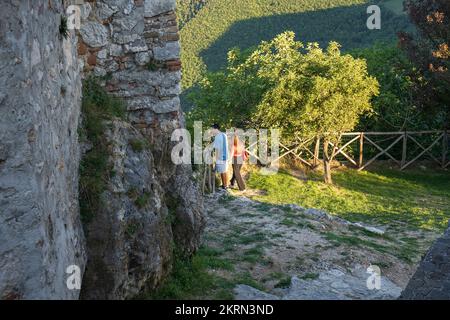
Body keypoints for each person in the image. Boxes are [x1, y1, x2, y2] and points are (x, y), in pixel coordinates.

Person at [211, 124, 229, 190]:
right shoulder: (223, 134)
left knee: (223, 171)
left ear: (215, 129)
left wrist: (216, 158)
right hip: (225, 155)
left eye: (212, 129)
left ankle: (225, 186)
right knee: (224, 170)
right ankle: (224, 184)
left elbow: (217, 148)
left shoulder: (218, 136)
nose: (211, 131)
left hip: (221, 156)